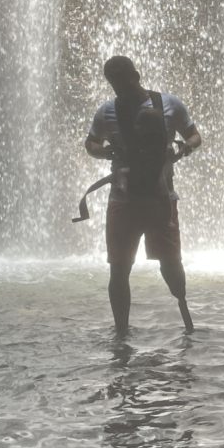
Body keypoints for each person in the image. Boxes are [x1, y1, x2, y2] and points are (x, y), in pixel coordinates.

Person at [86, 55, 202, 334]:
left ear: (136, 76)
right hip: (123, 201)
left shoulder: (169, 104)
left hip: (162, 200)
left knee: (171, 266)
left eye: (122, 83)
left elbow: (195, 136)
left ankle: (185, 316)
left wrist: (183, 149)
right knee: (119, 268)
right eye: (113, 85)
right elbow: (90, 143)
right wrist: (105, 152)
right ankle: (121, 331)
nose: (119, 90)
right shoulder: (107, 111)